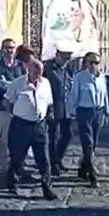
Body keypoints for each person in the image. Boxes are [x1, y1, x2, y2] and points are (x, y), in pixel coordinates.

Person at [3, 53, 57, 200]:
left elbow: (49, 101)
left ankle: (47, 187)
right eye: (35, 72)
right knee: (17, 157)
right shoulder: (18, 83)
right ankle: (12, 181)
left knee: (44, 159)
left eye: (40, 72)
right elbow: (7, 101)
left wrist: (50, 113)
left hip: (39, 125)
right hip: (21, 125)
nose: (37, 75)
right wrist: (13, 114)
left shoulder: (45, 83)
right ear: (28, 69)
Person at [72, 52, 109, 186]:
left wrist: (106, 112)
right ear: (85, 63)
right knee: (87, 144)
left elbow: (105, 95)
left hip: (98, 112)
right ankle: (93, 175)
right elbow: (74, 95)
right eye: (91, 62)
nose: (94, 65)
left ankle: (83, 169)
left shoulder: (102, 77)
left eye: (96, 63)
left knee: (93, 145)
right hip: (84, 112)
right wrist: (71, 112)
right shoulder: (80, 77)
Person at [0, 38, 24, 169]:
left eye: (12, 48)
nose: (10, 51)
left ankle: (18, 165)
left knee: (19, 138)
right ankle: (4, 166)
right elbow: (1, 84)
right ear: (2, 49)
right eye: (7, 48)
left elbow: (24, 82)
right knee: (4, 137)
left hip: (19, 106)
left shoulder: (20, 66)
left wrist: (13, 85)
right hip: (2, 106)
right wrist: (16, 85)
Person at [43, 45, 76, 175]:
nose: (66, 60)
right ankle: (52, 164)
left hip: (66, 107)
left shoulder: (68, 68)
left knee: (68, 134)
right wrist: (47, 110)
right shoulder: (48, 69)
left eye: (68, 58)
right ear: (57, 55)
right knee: (52, 137)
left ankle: (58, 158)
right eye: (64, 57)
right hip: (53, 107)